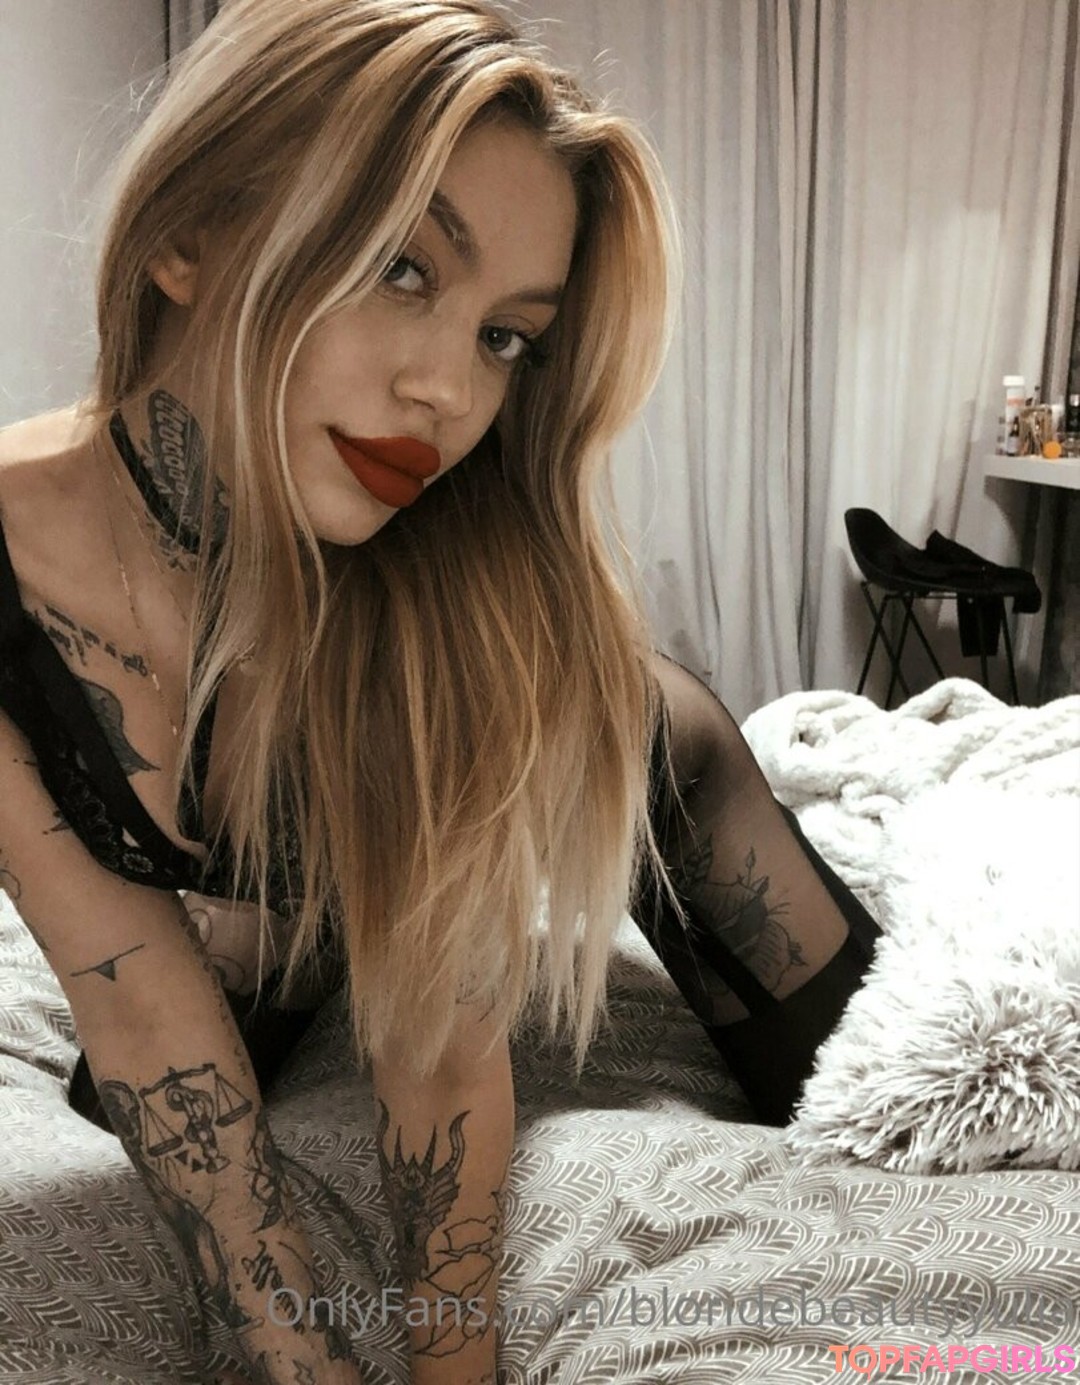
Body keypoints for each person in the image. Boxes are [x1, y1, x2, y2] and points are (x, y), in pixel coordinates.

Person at [0, 1, 882, 1381]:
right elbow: (133, 1003)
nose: (450, 396)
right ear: (190, 234)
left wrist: (449, 1369)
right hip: (296, 887)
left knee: (888, 1111)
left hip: (648, 766)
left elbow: (446, 1046)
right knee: (145, 1115)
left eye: (506, 338)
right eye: (403, 269)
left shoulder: (434, 589)